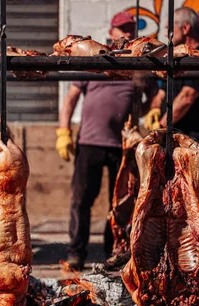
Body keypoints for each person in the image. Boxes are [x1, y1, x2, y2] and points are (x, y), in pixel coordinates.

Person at [56, 11, 156, 270]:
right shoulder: (95, 60)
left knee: (121, 203)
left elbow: (156, 96)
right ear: (111, 34)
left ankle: (114, 251)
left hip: (122, 145)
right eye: (121, 29)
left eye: (130, 29)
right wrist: (63, 131)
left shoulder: (140, 66)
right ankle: (76, 252)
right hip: (90, 141)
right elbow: (70, 99)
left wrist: (150, 112)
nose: (126, 34)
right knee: (81, 200)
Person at [144, 7, 199, 199]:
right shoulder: (177, 60)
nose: (165, 33)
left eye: (170, 28)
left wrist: (159, 128)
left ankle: (196, 229)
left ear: (185, 28)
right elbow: (162, 92)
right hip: (172, 135)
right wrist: (153, 110)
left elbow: (187, 98)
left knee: (190, 190)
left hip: (195, 137)